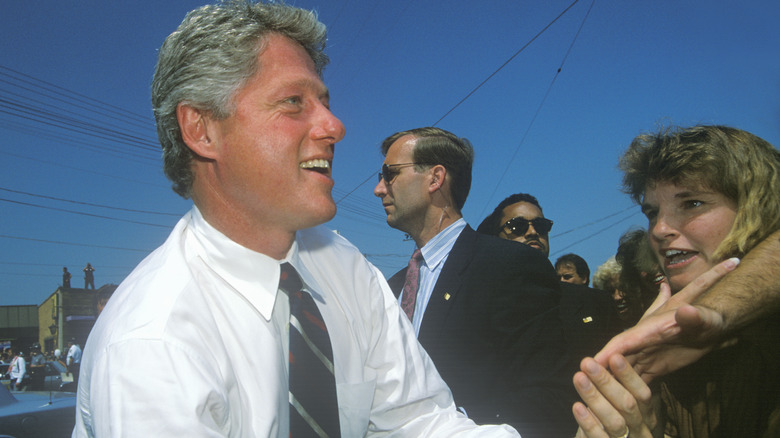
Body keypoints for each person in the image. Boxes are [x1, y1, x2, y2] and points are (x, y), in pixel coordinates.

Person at [74, 2, 518, 437]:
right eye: (293, 102)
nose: (335, 126)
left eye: (324, 102)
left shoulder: (343, 265)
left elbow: (421, 422)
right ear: (202, 130)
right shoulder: (153, 343)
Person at [573, 125, 780, 438]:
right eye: (652, 212)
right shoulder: (662, 350)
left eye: (692, 203)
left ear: (757, 205)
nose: (658, 229)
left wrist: (721, 309)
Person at [375, 128, 577, 436]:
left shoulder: (510, 266)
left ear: (435, 178)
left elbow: (548, 399)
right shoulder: (393, 288)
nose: (379, 188)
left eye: (390, 174)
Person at [477, 193, 622, 363]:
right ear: (496, 239)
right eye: (518, 226)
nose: (532, 232)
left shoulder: (596, 304)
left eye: (541, 225)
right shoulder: (477, 310)